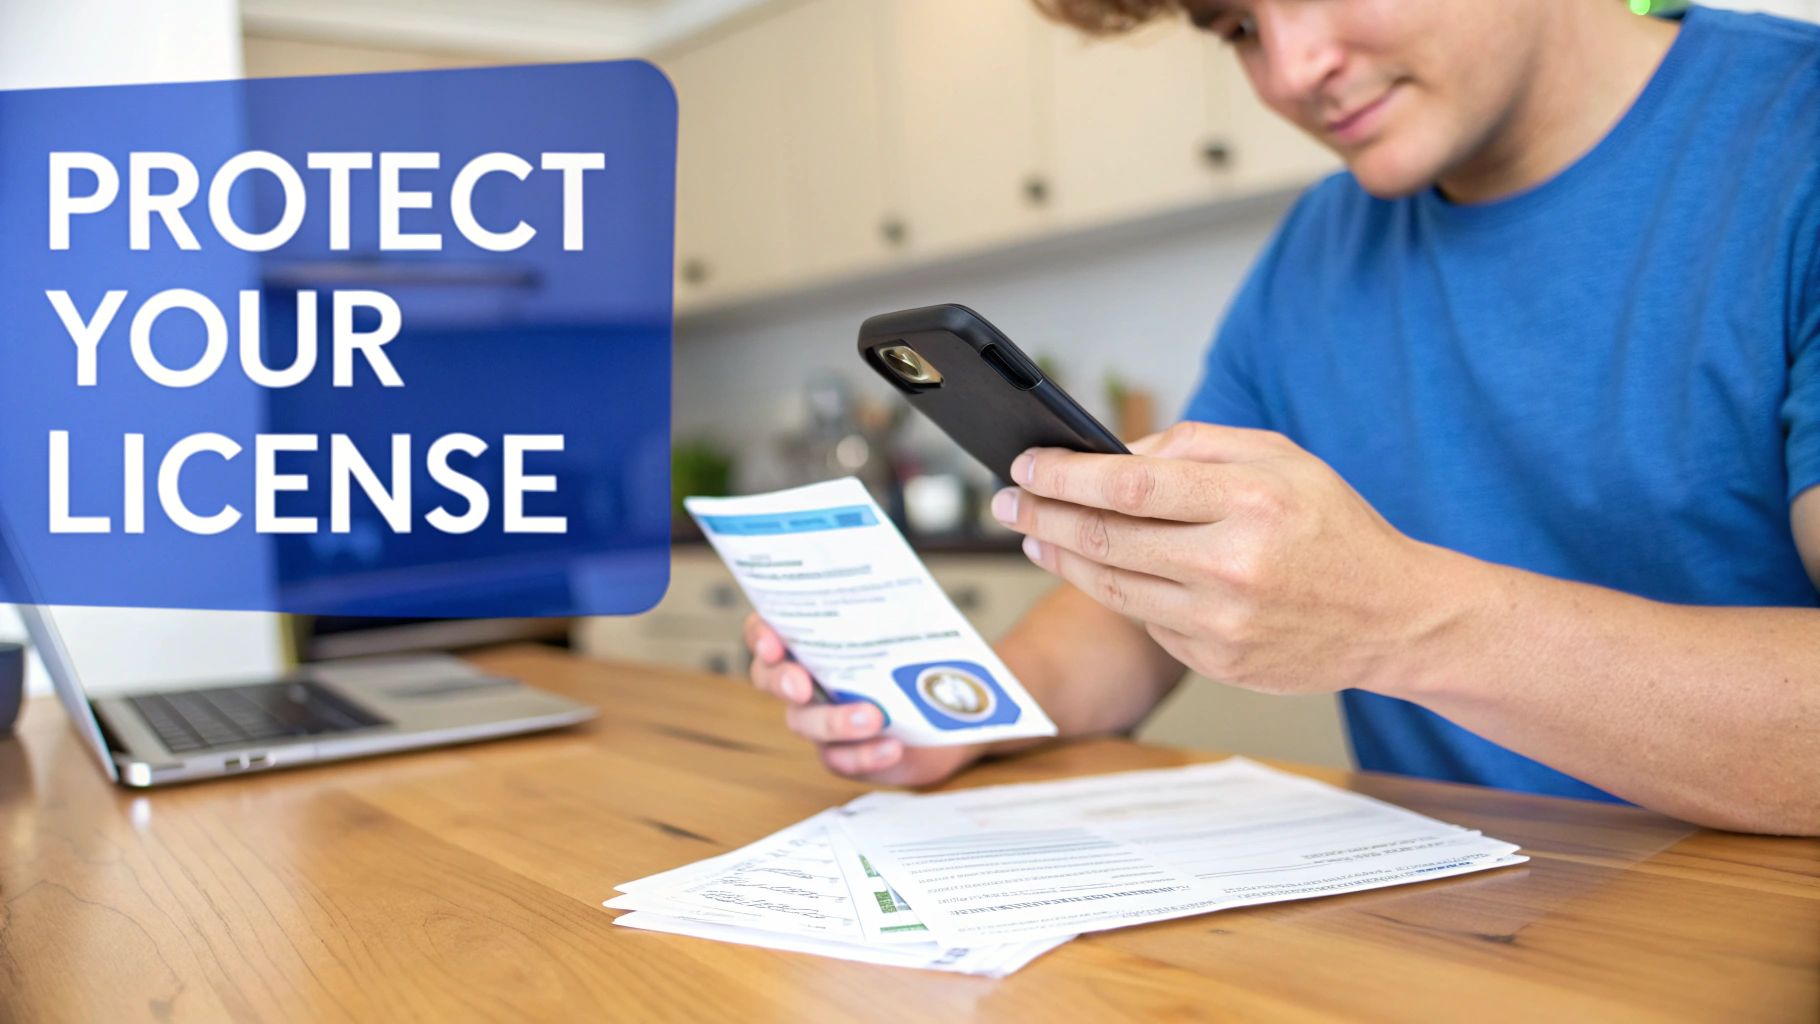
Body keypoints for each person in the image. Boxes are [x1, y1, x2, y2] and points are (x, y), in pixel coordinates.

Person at [743, 0, 1820, 835]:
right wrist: (954, 712)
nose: (1291, 70)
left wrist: (1407, 620)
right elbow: (1139, 598)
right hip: (1445, 930)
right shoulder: (1318, 249)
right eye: (1236, 28)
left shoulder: (1792, 138)